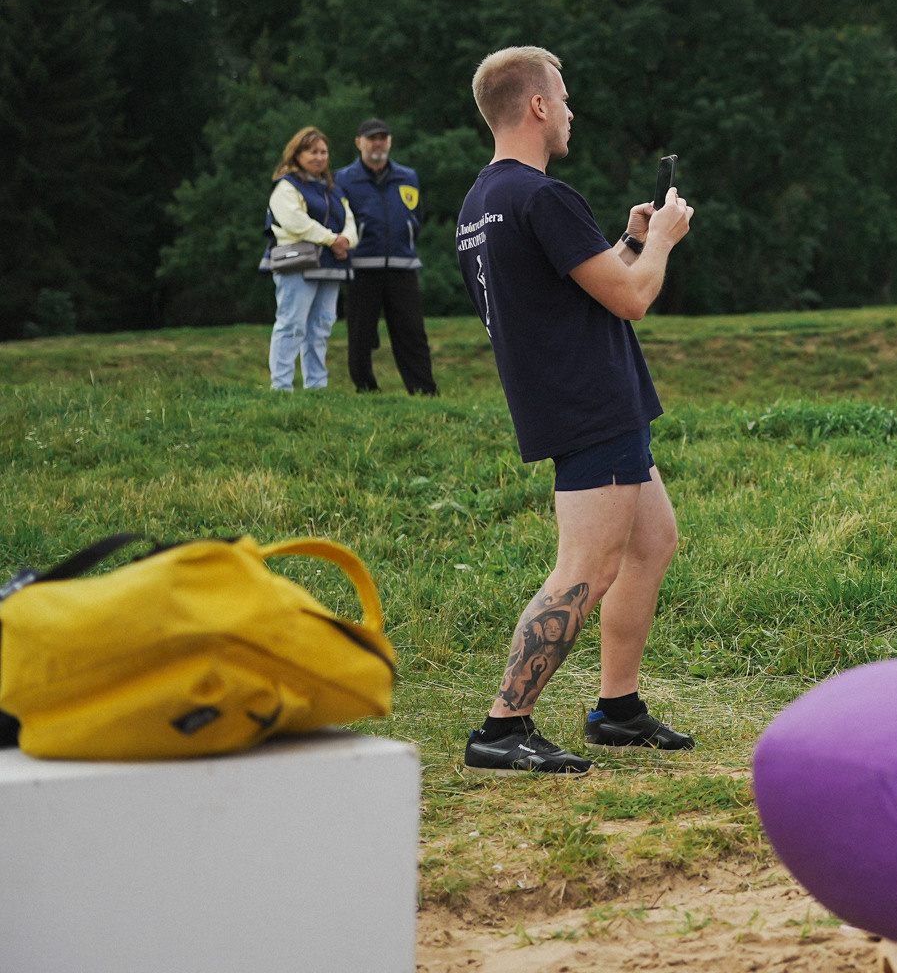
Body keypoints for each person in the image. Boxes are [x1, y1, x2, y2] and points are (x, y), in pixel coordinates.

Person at [454, 45, 696, 774]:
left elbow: (581, 288)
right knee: (584, 568)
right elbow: (632, 298)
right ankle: (503, 726)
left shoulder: (482, 202)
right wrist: (662, 242)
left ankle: (616, 709)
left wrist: (626, 240)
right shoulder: (543, 196)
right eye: (561, 97)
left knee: (652, 544)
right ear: (535, 106)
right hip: (591, 402)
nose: (569, 111)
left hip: (572, 398)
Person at [335, 116, 438, 397]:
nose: (377, 143)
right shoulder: (342, 178)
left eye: (382, 137)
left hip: (403, 266)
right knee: (360, 334)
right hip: (361, 267)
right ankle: (366, 389)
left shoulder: (408, 176)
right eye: (371, 138)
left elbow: (415, 215)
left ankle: (424, 392)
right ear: (359, 143)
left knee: (413, 333)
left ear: (390, 141)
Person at [258, 125, 355, 391]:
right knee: (291, 325)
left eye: (323, 152)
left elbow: (349, 220)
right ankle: (281, 387)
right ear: (297, 154)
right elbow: (295, 221)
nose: (319, 157)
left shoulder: (333, 188)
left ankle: (316, 386)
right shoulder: (286, 186)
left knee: (321, 327)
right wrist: (331, 239)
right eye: (312, 152)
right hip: (297, 264)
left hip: (329, 264)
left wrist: (346, 240)